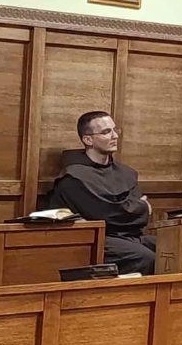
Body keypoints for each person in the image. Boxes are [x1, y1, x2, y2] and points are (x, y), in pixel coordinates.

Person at [48, 112, 156, 274]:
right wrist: (142, 208)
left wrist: (133, 210)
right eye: (106, 132)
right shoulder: (74, 177)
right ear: (88, 140)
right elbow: (104, 214)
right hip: (98, 239)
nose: (115, 136)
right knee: (145, 258)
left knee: (171, 249)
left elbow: (127, 213)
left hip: (130, 235)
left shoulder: (126, 172)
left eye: (115, 130)